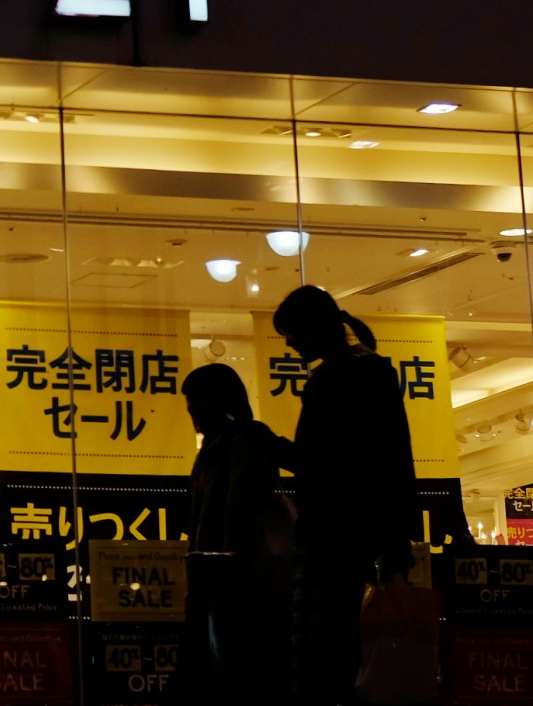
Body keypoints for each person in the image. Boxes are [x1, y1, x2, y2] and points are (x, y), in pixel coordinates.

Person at [271, 285, 416, 706]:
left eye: (292, 331)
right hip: (347, 534)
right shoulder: (354, 373)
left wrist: (273, 446)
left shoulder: (349, 377)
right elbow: (391, 457)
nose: (290, 341)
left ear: (315, 326)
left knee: (321, 656)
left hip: (339, 535)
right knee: (340, 656)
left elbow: (354, 460)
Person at [177, 365, 291, 706]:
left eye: (198, 402)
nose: (192, 411)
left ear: (219, 400)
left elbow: (235, 514)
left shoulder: (241, 442)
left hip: (235, 580)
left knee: (235, 673)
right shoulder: (216, 448)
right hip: (224, 579)